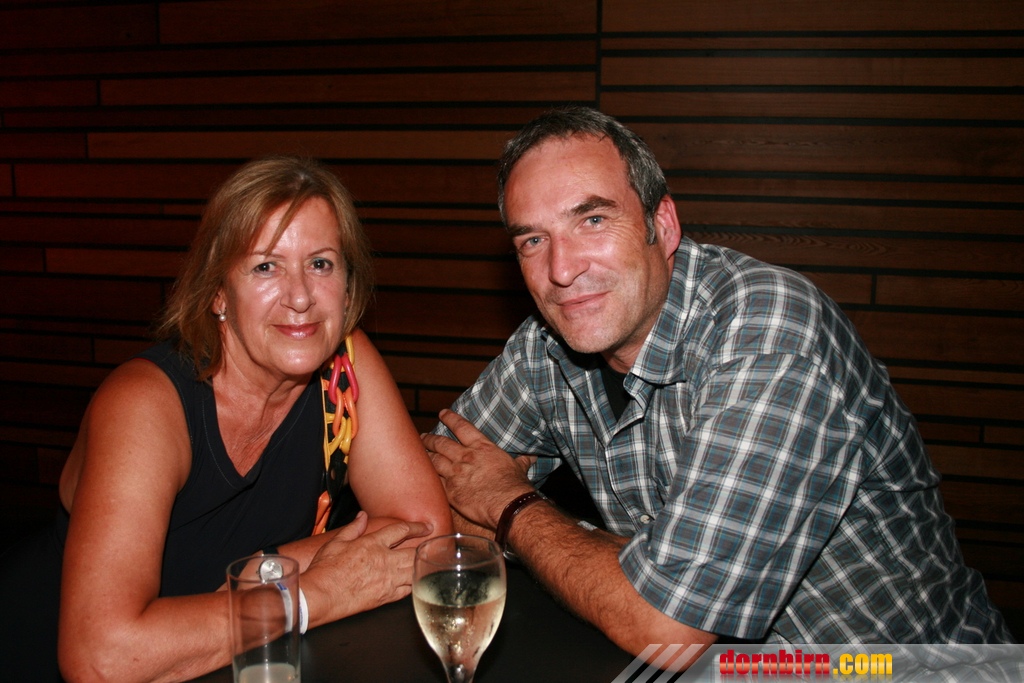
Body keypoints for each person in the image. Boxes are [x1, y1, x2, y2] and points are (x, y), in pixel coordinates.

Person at [421, 107, 1013, 668]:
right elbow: (428, 498)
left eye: (593, 220)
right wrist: (605, 562)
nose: (561, 269)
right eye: (533, 240)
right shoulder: (548, 342)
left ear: (662, 225)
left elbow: (665, 626)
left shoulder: (770, 334)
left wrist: (509, 505)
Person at [2, 156, 452, 683]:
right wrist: (316, 592)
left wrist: (265, 569)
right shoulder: (144, 405)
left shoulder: (344, 369)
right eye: (266, 267)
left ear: (348, 287)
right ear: (217, 291)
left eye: (321, 264)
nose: (301, 297)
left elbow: (427, 536)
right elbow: (102, 657)